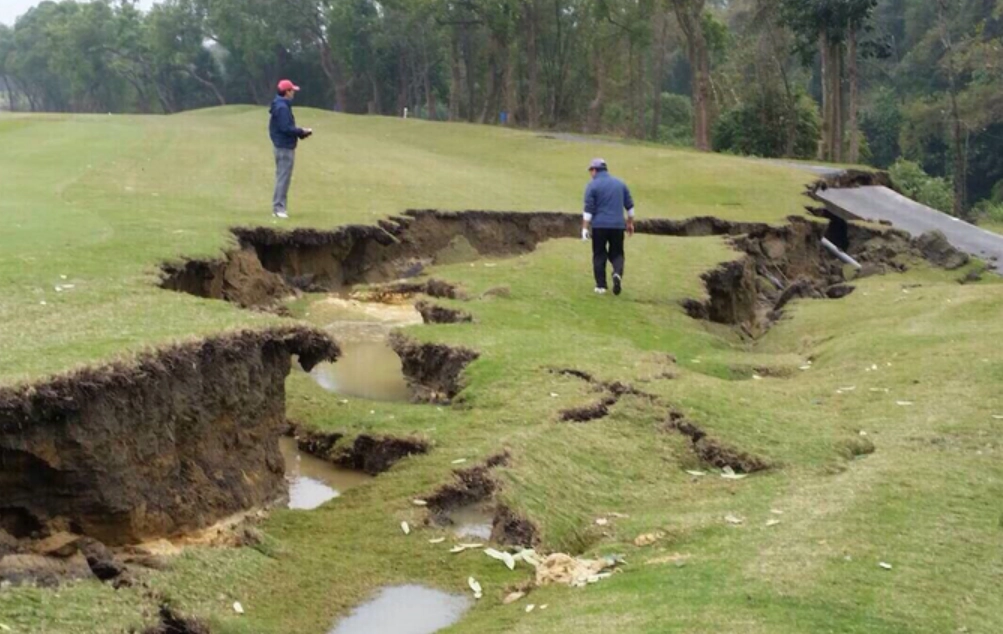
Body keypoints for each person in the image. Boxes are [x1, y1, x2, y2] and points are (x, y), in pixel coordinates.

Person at [582, 158, 635, 295]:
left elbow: (589, 209)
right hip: (618, 226)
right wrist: (629, 223)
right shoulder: (620, 184)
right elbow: (630, 207)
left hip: (600, 225)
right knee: (617, 253)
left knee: (599, 254)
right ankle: (617, 273)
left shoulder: (592, 186)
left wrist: (584, 228)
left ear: (595, 170)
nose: (590, 174)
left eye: (591, 171)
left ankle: (601, 286)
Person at [269, 79, 313, 219]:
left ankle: (279, 207)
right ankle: (279, 208)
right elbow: (285, 128)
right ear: (287, 92)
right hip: (284, 147)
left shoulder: (280, 105)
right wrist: (301, 131)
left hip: (282, 145)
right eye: (292, 90)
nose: (293, 92)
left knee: (282, 177)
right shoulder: (282, 108)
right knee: (283, 178)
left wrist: (300, 133)